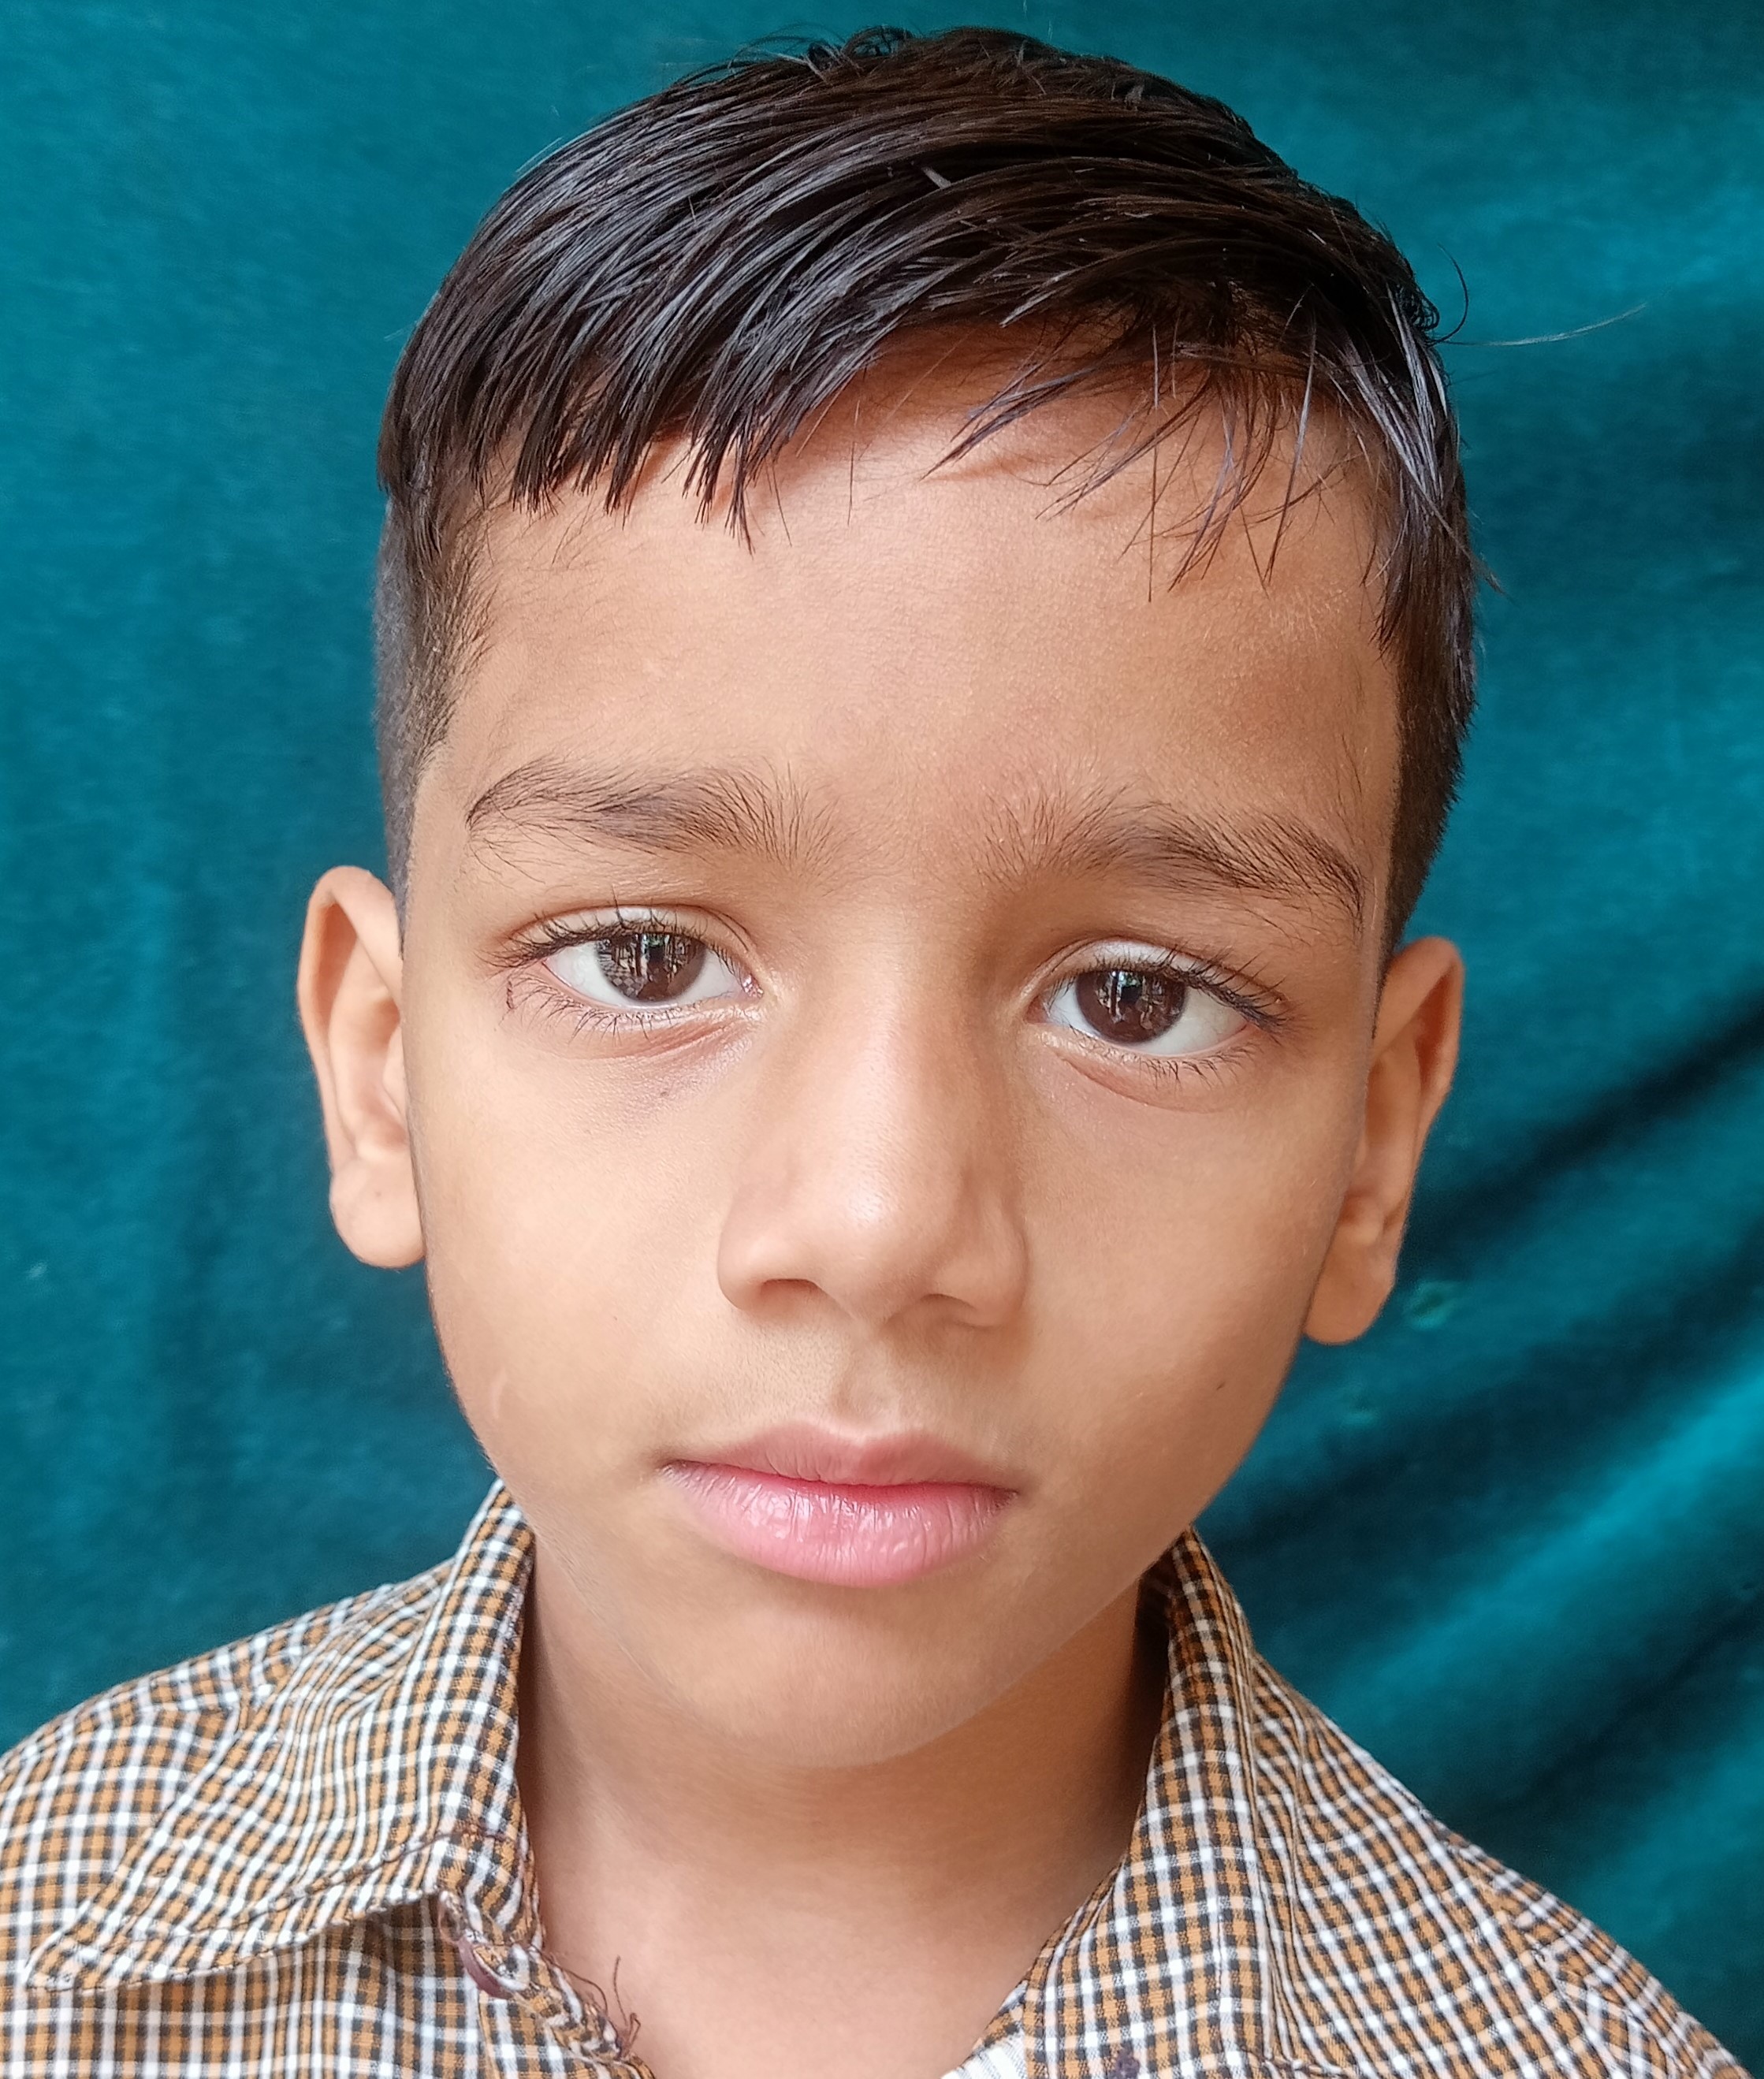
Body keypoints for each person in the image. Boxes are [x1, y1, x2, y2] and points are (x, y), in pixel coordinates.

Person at [0, 26, 1744, 2079]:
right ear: (381, 1071)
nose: (874, 1225)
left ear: (1374, 1144)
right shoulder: (38, 1951)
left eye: (1134, 998)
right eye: (647, 958)